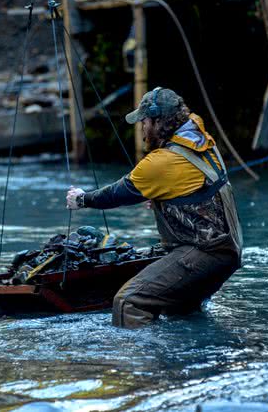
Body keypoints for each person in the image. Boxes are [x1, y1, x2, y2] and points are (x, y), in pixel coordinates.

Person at [66, 87, 243, 328]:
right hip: (227, 251)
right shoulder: (200, 141)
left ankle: (144, 362)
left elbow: (118, 193)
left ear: (158, 122)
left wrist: (82, 198)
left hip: (205, 252)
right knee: (178, 310)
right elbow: (201, 190)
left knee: (129, 301)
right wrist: (168, 200)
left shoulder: (161, 163)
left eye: (144, 121)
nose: (141, 128)